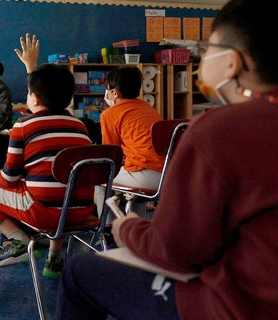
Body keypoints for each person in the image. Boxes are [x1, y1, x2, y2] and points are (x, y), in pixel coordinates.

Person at [56, 0, 278, 319]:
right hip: (161, 175)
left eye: (207, 50)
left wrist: (128, 229)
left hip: (242, 306)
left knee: (79, 271)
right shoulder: (150, 108)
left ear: (231, 62)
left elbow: (175, 253)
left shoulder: (218, 128)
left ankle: (102, 222)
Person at [0, 33, 93, 280]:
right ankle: (54, 258)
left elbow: (10, 179)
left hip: (43, 213)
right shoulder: (81, 126)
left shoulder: (23, 126)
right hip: (81, 213)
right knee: (58, 186)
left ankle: (20, 243)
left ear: (33, 98)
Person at [93, 65, 164, 221]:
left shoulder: (109, 114)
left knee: (100, 177)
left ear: (115, 93)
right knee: (136, 194)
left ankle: (107, 229)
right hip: (167, 175)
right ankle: (140, 232)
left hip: (145, 176)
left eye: (107, 90)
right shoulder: (149, 109)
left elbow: (111, 156)